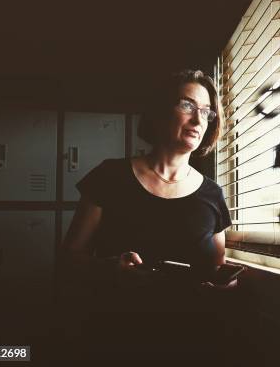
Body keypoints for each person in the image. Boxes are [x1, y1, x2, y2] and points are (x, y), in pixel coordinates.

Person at [59, 69, 236, 365]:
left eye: (206, 112)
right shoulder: (110, 175)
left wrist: (223, 286)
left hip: (191, 343)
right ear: (160, 111)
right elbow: (69, 258)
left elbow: (215, 272)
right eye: (187, 105)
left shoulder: (213, 195)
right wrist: (110, 269)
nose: (197, 120)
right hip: (114, 339)